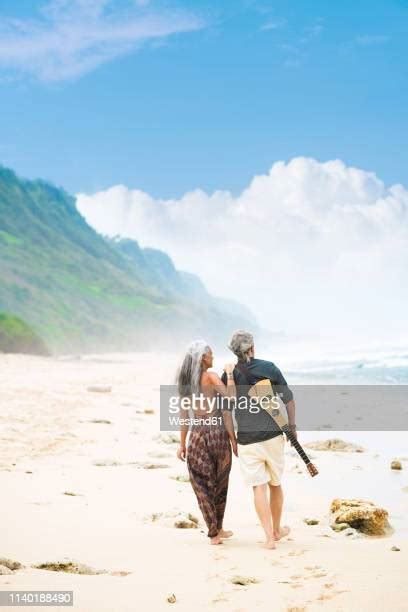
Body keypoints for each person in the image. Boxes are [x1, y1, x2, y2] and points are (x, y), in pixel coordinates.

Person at [221, 330, 297, 550]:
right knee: (275, 484)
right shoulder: (269, 368)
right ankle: (277, 528)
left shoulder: (228, 374)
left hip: (246, 439)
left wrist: (232, 439)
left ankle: (268, 538)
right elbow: (289, 400)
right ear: (252, 348)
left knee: (258, 487)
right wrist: (292, 427)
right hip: (273, 435)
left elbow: (227, 411)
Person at [176, 340, 238, 545]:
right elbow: (231, 397)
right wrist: (229, 373)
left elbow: (184, 416)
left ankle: (216, 530)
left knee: (202, 485)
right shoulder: (211, 377)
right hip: (216, 434)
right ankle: (215, 532)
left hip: (196, 435)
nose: (213, 357)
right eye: (210, 354)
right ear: (203, 358)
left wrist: (182, 443)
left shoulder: (186, 382)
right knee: (220, 483)